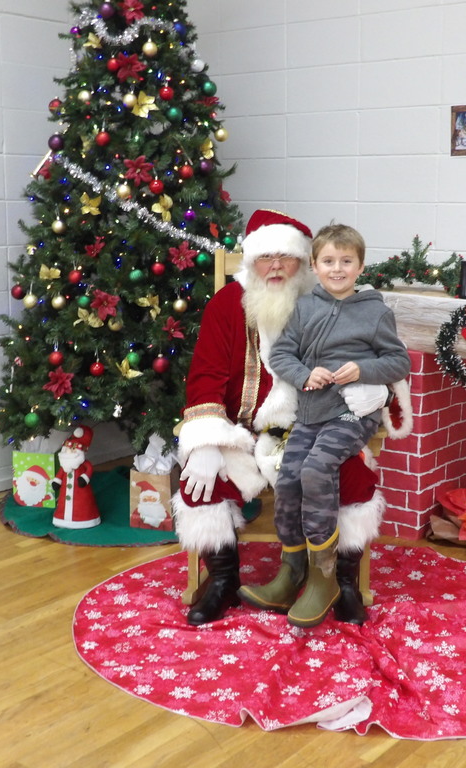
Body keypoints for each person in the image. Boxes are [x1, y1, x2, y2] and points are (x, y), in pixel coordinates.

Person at [172, 210, 409, 626]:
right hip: (241, 432)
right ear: (252, 261)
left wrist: (380, 391)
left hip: (318, 424)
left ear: (305, 263)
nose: (277, 266)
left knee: (352, 476)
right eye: (267, 257)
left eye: (287, 257)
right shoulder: (227, 305)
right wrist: (207, 440)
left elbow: (385, 359)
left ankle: (341, 581)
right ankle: (223, 580)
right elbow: (205, 375)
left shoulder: (326, 300)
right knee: (200, 481)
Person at [238, 224, 411, 628]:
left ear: (360, 267)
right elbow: (281, 355)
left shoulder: (374, 313)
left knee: (317, 469)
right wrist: (304, 375)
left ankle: (324, 577)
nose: (337, 269)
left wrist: (362, 369)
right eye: (328, 261)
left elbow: (398, 361)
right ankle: (292, 570)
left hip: (351, 415)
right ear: (314, 266)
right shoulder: (305, 308)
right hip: (311, 413)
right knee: (288, 477)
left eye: (346, 261)